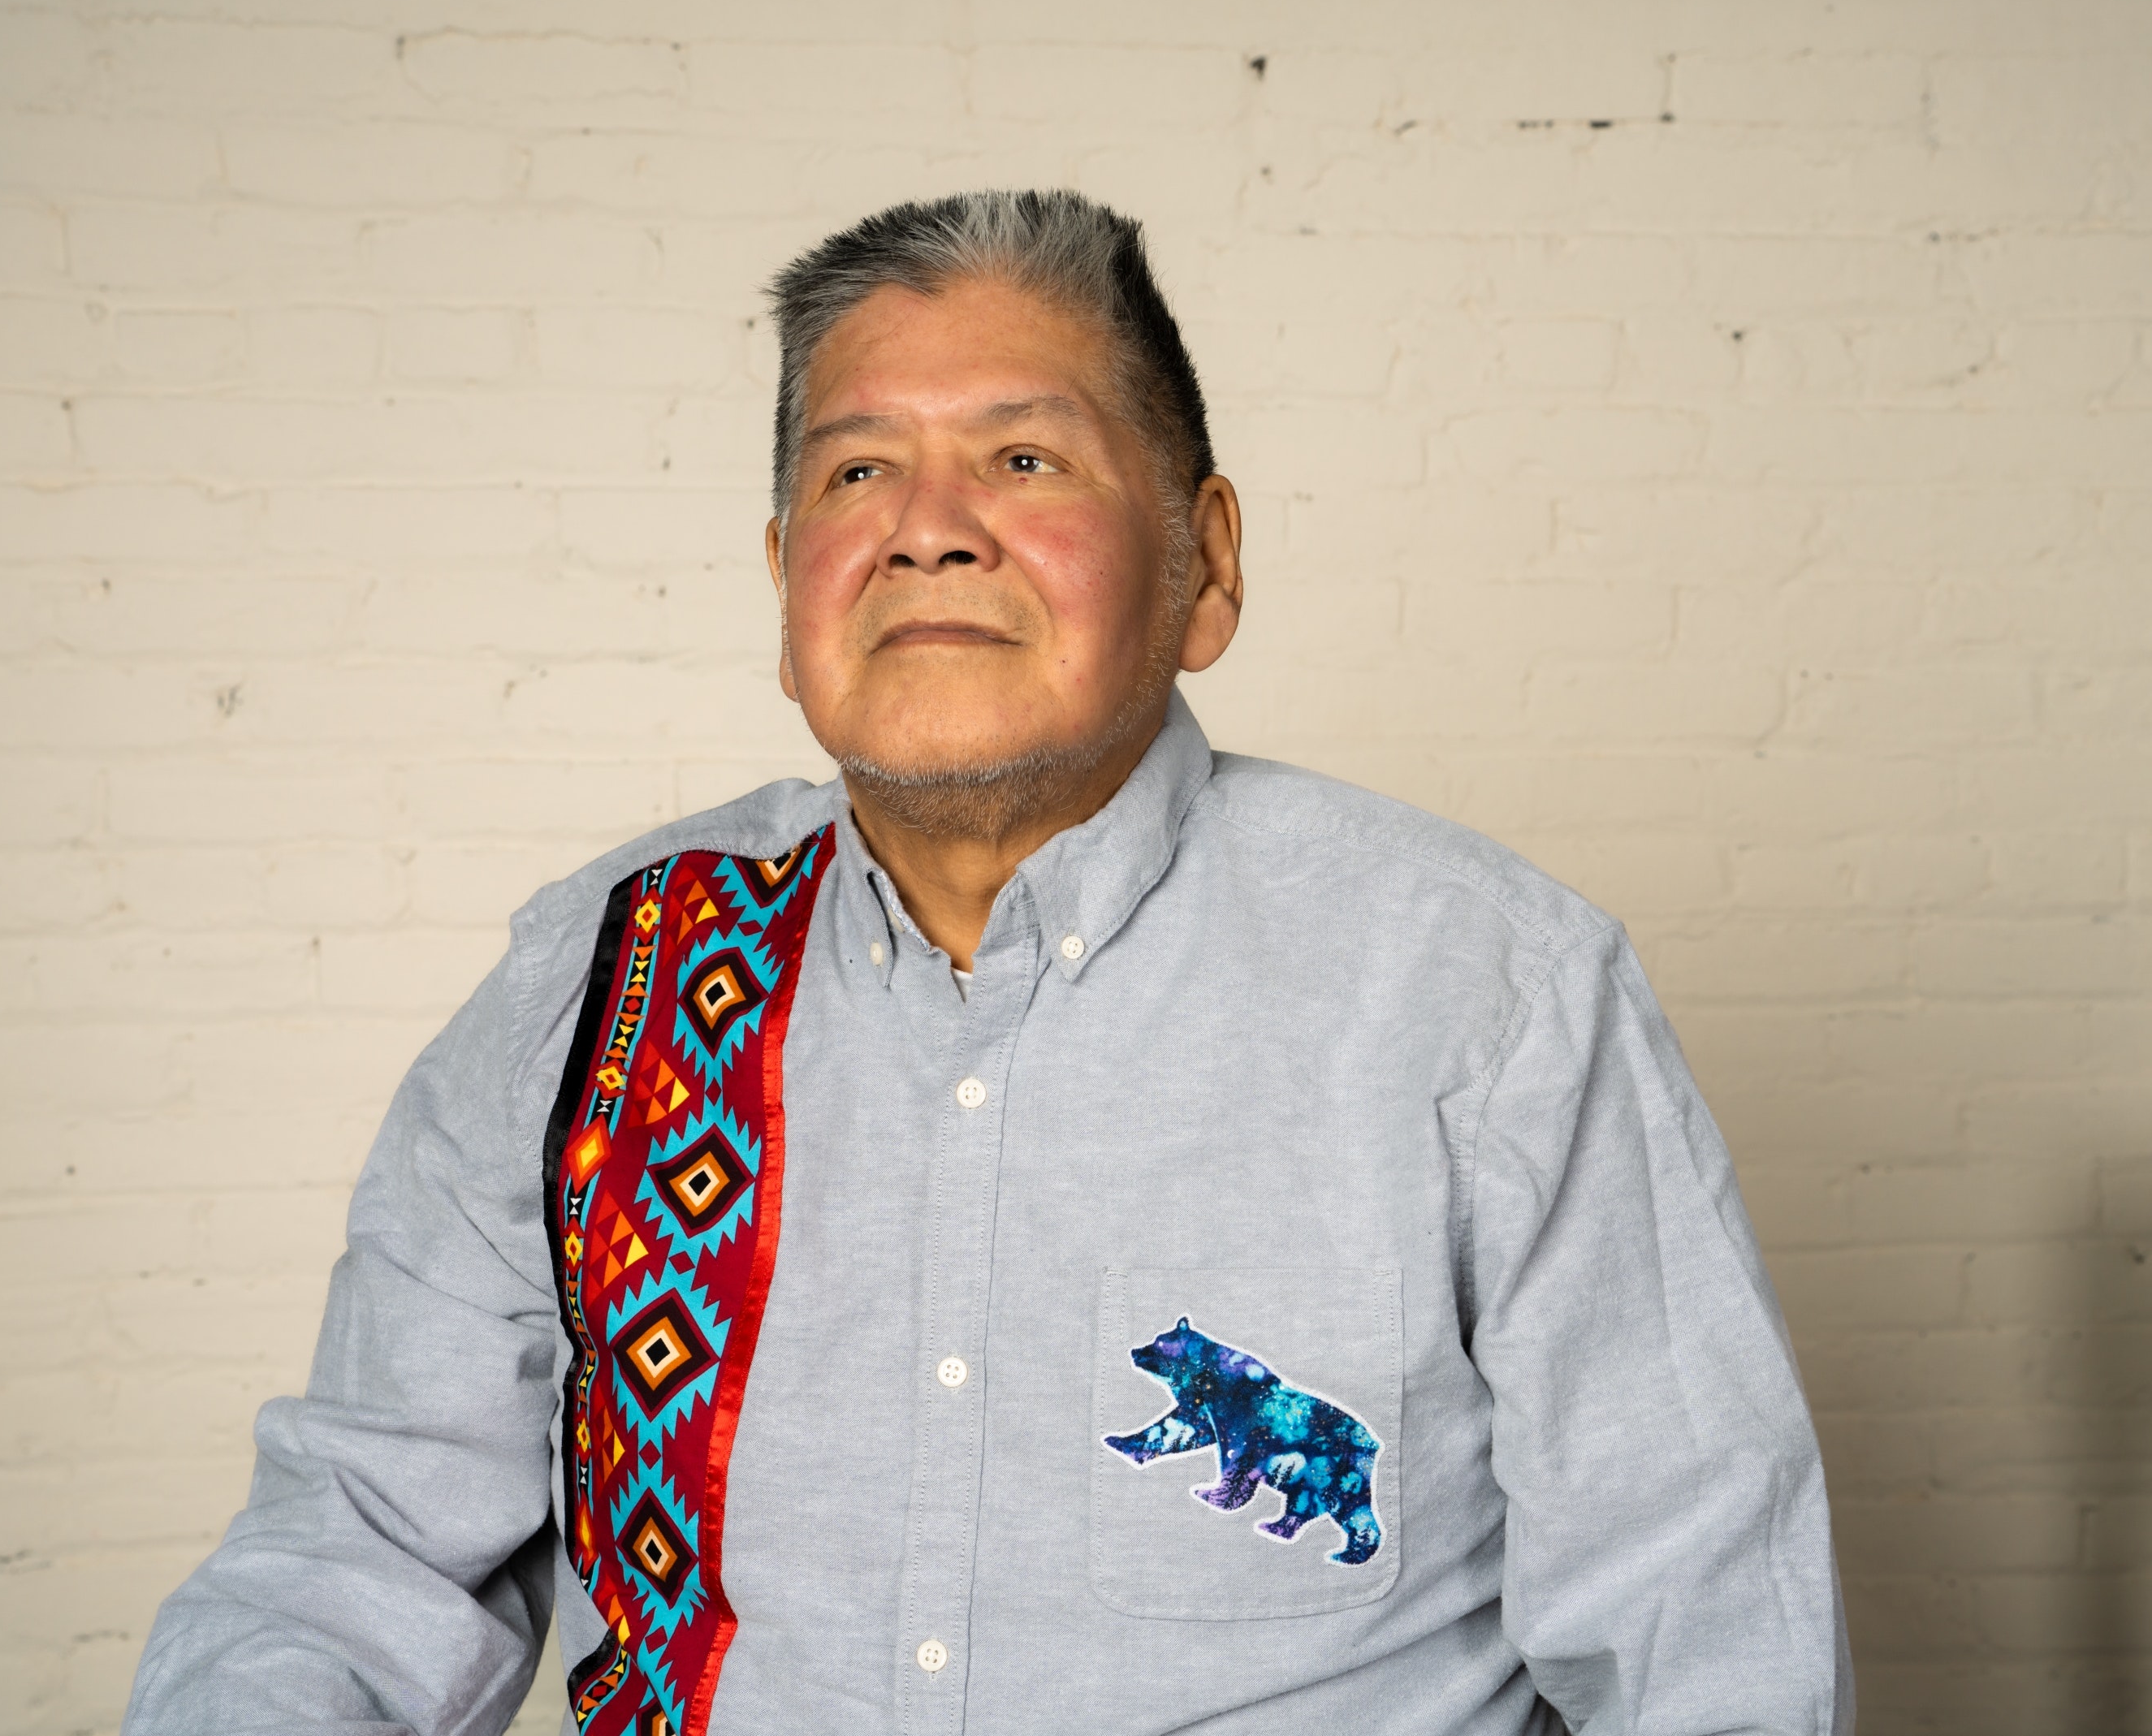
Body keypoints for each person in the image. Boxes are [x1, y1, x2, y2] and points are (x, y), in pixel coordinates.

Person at [125, 190, 1852, 1736]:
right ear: (789, 584)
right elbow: (352, 1557)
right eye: (856, 468)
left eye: (1025, 460)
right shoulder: (600, 983)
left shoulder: (1486, 996)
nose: (924, 526)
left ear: (1208, 566)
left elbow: (1709, 1642)